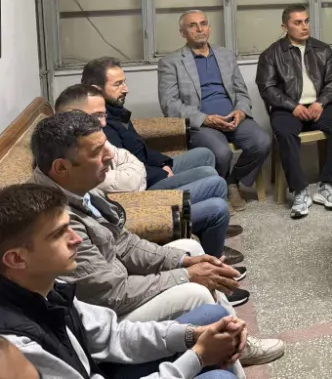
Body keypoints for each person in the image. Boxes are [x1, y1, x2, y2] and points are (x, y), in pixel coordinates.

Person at [26, 112, 287, 367]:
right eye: (96, 152)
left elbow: (125, 243)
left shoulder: (77, 184)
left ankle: (233, 336)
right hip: (107, 318)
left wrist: (185, 262)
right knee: (195, 291)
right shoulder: (55, 220)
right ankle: (232, 347)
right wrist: (187, 276)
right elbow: (111, 295)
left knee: (189, 248)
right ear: (61, 167)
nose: (110, 155)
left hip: (117, 282)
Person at [0, 183, 251, 379]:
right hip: (101, 364)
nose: (76, 239)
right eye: (58, 234)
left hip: (97, 364)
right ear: (17, 259)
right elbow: (114, 295)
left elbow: (113, 335)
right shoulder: (16, 344)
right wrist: (198, 357)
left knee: (213, 319)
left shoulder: (48, 288)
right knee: (218, 374)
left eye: (69, 227)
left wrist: (191, 336)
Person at [80, 62, 241, 262]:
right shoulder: (100, 126)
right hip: (144, 185)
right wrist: (162, 172)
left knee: (205, 155)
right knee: (213, 180)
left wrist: (164, 162)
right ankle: (214, 239)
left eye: (125, 82)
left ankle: (214, 228)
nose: (126, 89)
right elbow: (124, 175)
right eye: (118, 84)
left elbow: (139, 149)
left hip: (149, 169)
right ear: (96, 89)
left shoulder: (114, 111)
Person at [157, 12, 272, 212]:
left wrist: (240, 111)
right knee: (221, 152)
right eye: (193, 26)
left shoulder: (226, 55)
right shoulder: (170, 62)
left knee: (262, 142)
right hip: (202, 125)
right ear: (182, 32)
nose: (200, 29)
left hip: (233, 118)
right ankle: (221, 188)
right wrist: (205, 119)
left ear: (209, 28)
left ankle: (232, 181)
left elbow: (241, 92)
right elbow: (169, 104)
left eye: (203, 24)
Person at [255, 5, 332, 219]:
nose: (304, 26)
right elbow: (267, 88)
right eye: (298, 22)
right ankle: (300, 190)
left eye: (306, 21)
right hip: (287, 109)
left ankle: (328, 185)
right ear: (285, 27)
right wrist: (293, 106)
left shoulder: (323, 49)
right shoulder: (271, 54)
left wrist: (320, 103)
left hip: (319, 106)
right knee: (285, 133)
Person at [54, 85, 145, 196]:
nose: (103, 123)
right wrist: (136, 174)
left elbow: (128, 159)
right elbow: (131, 184)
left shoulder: (90, 138)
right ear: (72, 115)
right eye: (97, 115)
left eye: (104, 115)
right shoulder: (67, 153)